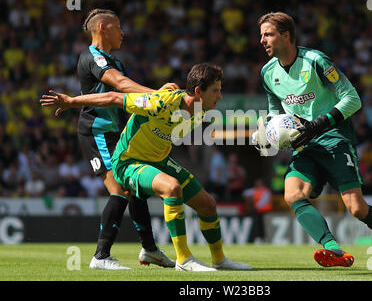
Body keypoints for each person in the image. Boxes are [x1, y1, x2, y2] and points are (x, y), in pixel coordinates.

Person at [40, 63, 252, 272]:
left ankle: (219, 260)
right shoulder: (161, 103)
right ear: (198, 91)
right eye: (216, 91)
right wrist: (71, 101)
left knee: (208, 205)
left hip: (158, 160)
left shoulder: (201, 110)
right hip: (129, 162)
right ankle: (184, 260)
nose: (220, 96)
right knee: (172, 188)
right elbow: (114, 98)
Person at [253, 12, 372, 272]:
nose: (262, 40)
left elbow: (352, 99)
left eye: (268, 34)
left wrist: (318, 123)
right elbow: (275, 111)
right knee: (292, 194)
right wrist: (270, 131)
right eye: (261, 35)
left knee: (356, 208)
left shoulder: (316, 61)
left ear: (286, 35)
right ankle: (333, 249)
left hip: (334, 138)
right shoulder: (267, 72)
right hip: (305, 146)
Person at [73, 8, 174, 269]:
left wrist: (153, 104)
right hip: (98, 132)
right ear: (103, 27)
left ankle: (150, 249)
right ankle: (101, 256)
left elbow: (128, 99)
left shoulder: (115, 61)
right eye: (118, 27)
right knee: (121, 190)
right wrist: (157, 95)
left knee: (136, 188)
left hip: (116, 133)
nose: (123, 32)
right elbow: (119, 84)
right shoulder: (92, 57)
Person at [242, 179, 273, 243]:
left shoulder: (265, 191)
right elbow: (245, 193)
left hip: (265, 212)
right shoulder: (254, 190)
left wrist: (255, 207)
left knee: (263, 226)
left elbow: (263, 201)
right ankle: (259, 238)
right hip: (257, 212)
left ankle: (264, 238)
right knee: (257, 225)